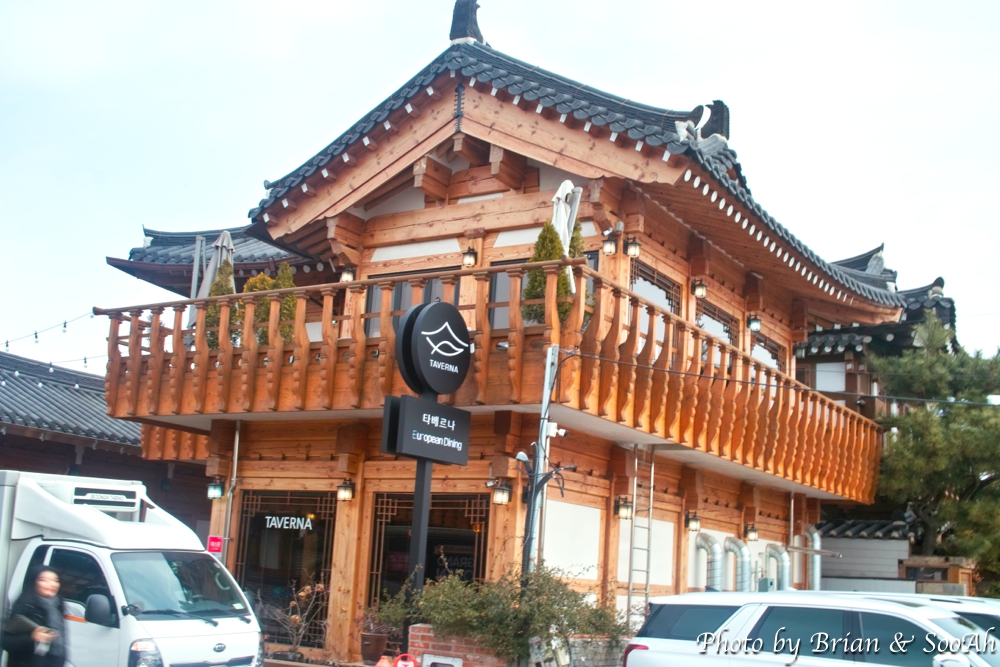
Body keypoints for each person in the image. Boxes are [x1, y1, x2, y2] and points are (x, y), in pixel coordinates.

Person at [1, 565, 67, 667]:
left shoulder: (58, 606)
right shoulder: (25, 605)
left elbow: (61, 646)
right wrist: (32, 638)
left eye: (55, 580)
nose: (52, 584)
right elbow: (6, 641)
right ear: (34, 582)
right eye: (44, 580)